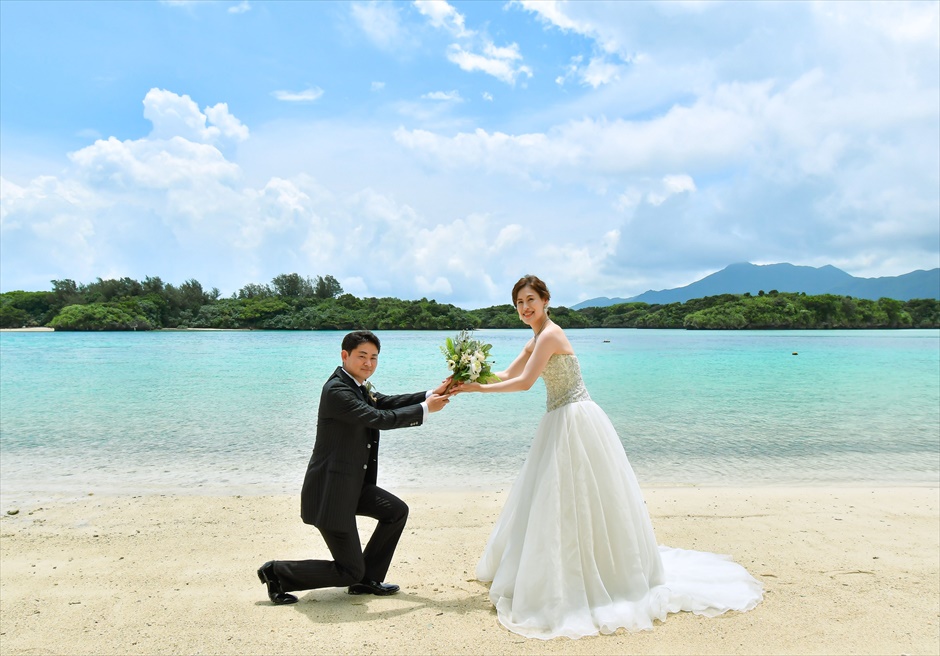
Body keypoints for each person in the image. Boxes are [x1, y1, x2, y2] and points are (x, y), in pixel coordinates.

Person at [458, 275, 763, 639]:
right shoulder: (536, 339)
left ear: (545, 300)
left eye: (529, 300)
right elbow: (507, 373)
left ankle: (593, 575)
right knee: (558, 498)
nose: (525, 308)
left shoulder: (551, 334)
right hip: (559, 420)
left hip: (575, 419)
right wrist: (466, 374)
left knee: (578, 497)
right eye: (519, 303)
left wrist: (475, 388)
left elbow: (524, 383)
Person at [257, 330, 453, 604]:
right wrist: (425, 409)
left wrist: (432, 393)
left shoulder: (357, 386)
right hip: (332, 494)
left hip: (353, 485)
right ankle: (277, 572)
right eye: (362, 356)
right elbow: (377, 417)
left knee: (396, 512)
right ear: (344, 356)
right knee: (348, 570)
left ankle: (367, 579)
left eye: (374, 357)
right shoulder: (337, 390)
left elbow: (383, 402)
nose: (369, 363)